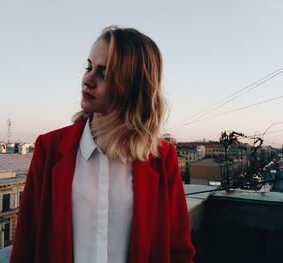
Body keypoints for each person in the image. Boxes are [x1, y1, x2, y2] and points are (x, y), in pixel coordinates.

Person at [10, 26, 195, 263]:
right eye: (88, 67)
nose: (87, 80)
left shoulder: (161, 156)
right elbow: (26, 242)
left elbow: (178, 249)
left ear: (135, 86)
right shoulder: (49, 148)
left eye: (104, 73)